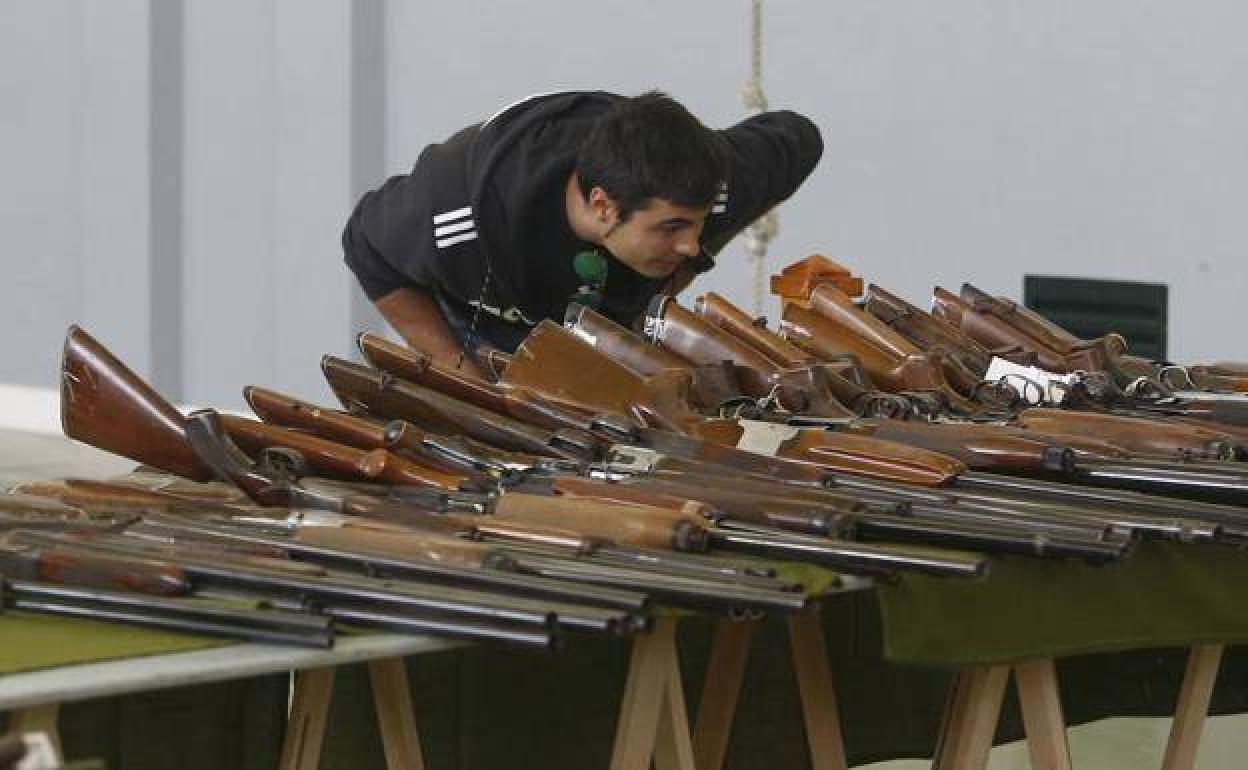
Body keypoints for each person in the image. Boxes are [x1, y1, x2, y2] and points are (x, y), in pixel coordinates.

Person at [342, 90, 822, 378]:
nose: (689, 243)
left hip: (610, 323)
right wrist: (457, 371)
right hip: (489, 322)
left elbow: (800, 137)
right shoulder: (452, 215)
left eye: (696, 226)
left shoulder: (718, 183)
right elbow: (365, 246)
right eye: (671, 227)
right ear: (603, 206)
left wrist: (683, 265)